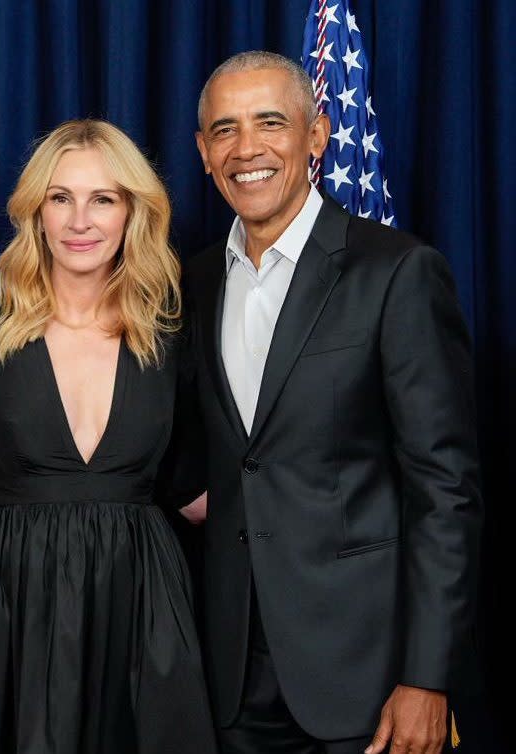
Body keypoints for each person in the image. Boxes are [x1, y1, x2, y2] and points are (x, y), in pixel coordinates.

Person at [186, 50, 483, 753]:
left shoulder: (396, 272)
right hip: (229, 673)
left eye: (268, 123)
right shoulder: (189, 281)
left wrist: (426, 677)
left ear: (314, 136)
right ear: (202, 153)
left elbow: (445, 491)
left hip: (367, 675)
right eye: (223, 131)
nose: (246, 149)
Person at [0, 118, 216, 753]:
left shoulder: (173, 333)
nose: (81, 221)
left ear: (133, 211)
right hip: (8, 601)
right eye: (61, 198)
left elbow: (198, 488)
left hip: (142, 603)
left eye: (103, 198)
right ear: (36, 212)